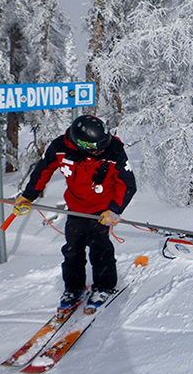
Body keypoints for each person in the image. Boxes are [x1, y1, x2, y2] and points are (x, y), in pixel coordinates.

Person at [13, 115, 136, 310]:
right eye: (98, 148)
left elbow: (127, 184)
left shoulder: (114, 150)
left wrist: (114, 210)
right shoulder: (60, 147)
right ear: (81, 144)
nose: (102, 149)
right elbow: (43, 170)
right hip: (77, 207)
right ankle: (74, 287)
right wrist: (29, 196)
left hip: (101, 209)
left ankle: (104, 286)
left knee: (100, 248)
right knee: (72, 249)